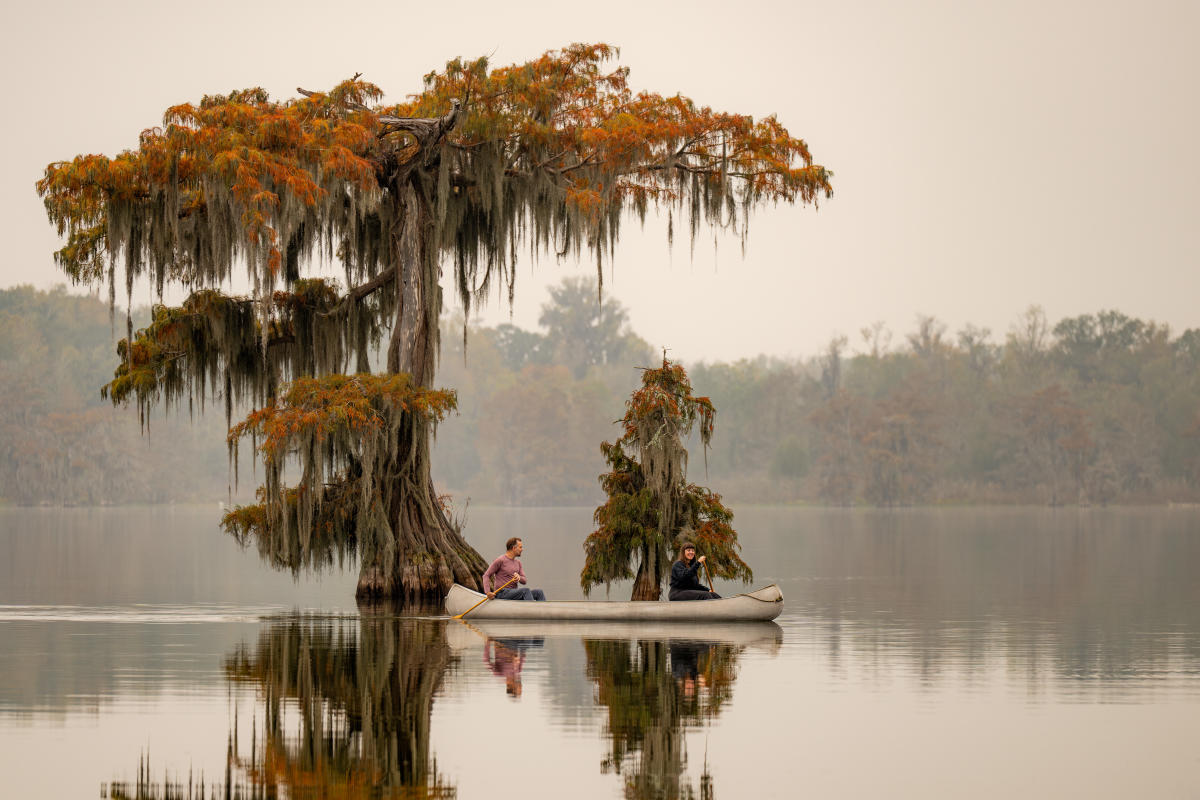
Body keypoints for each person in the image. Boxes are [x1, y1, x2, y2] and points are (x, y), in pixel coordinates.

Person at [482, 537, 546, 601]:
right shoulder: (500, 560)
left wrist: (519, 578)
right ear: (514, 548)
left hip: (514, 593)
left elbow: (524, 581)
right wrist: (488, 592)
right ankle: (532, 610)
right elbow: (486, 575)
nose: (522, 549)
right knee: (525, 591)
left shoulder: (518, 563)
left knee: (539, 592)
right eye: (520, 547)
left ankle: (543, 609)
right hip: (501, 592)